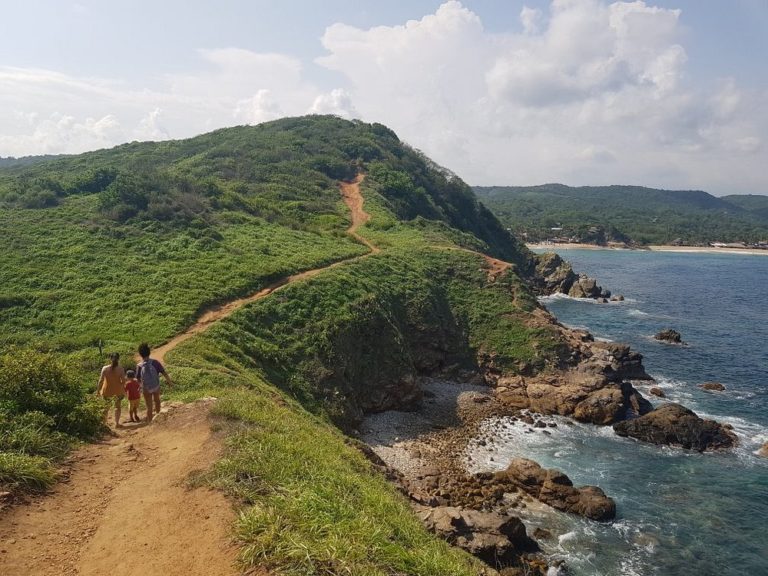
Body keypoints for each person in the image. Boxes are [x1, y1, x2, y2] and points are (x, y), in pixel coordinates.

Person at [136, 343, 172, 422]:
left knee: (149, 407)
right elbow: (164, 373)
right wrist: (170, 382)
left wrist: (140, 387)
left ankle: (150, 423)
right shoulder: (155, 362)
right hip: (156, 386)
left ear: (140, 354)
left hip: (146, 389)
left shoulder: (139, 366)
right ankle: (158, 420)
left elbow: (138, 379)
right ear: (149, 352)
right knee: (157, 401)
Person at [97, 352, 126, 427]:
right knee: (117, 407)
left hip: (106, 390)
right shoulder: (121, 369)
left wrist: (98, 390)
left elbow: (100, 381)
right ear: (118, 359)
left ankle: (103, 424)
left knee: (106, 407)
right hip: (117, 391)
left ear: (110, 359)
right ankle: (117, 423)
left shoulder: (105, 368)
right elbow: (123, 381)